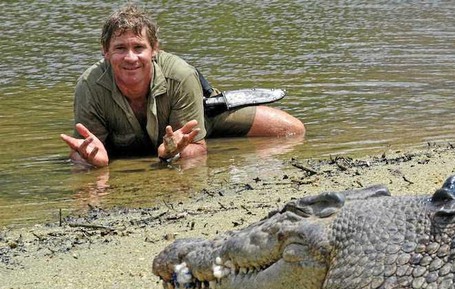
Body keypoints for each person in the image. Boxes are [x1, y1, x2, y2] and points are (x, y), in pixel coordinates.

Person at [60, 4, 305, 167]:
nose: (130, 58)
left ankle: (215, 131)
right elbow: (86, 150)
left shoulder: (181, 75)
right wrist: (91, 163)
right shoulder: (89, 85)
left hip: (198, 117)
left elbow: (195, 149)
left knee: (293, 130)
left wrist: (176, 154)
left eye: (139, 47)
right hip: (134, 139)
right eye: (120, 48)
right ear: (105, 52)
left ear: (154, 50)